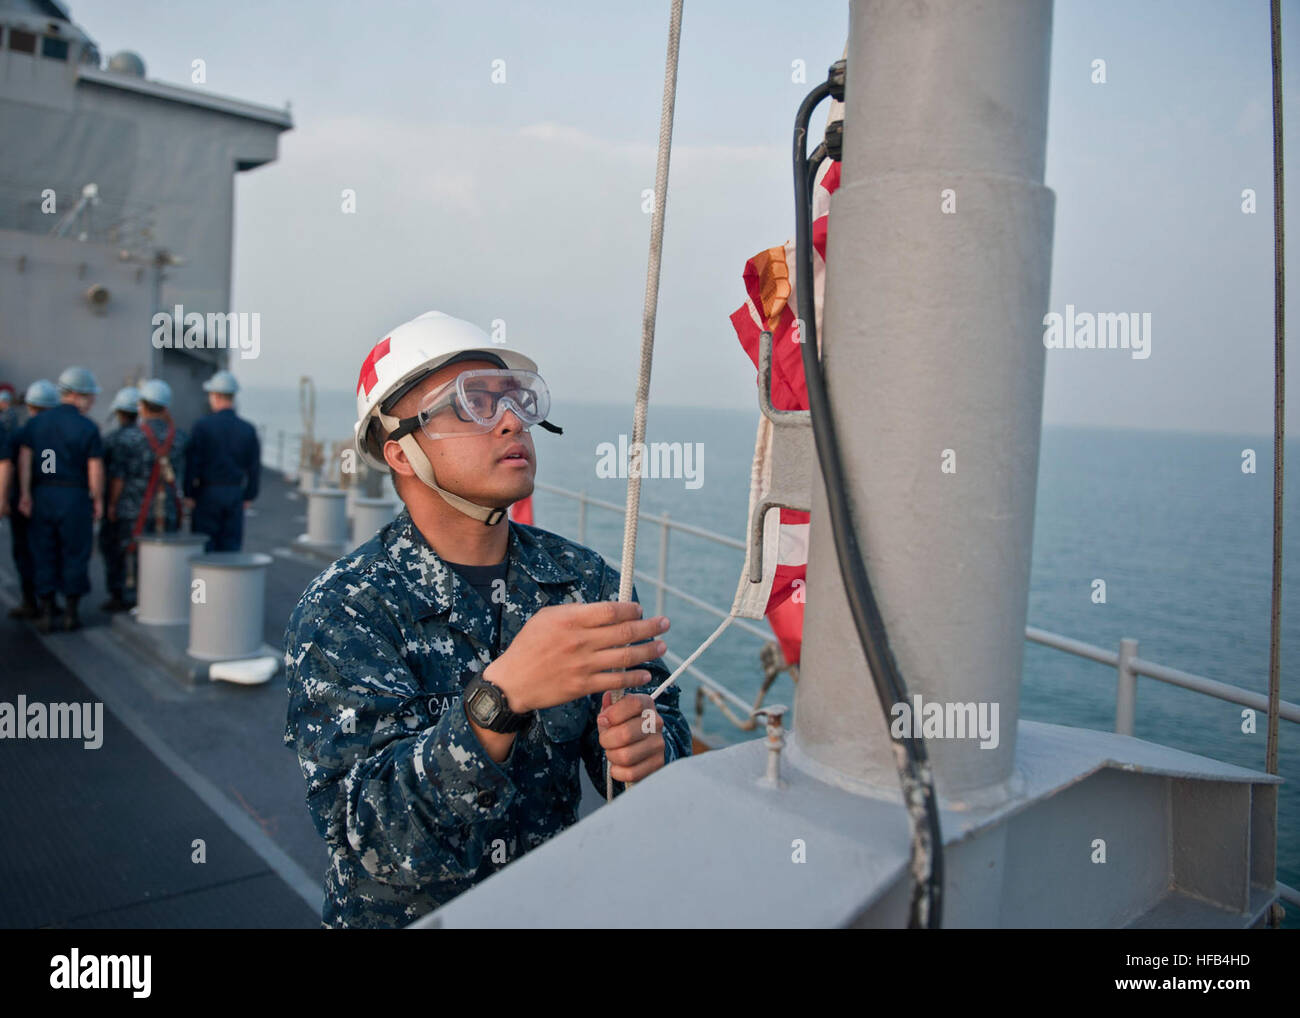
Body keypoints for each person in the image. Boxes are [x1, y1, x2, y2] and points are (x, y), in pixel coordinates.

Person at [283, 310, 691, 929]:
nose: (510, 421)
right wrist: (499, 700)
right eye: (471, 403)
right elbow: (367, 835)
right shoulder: (345, 609)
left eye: (514, 400)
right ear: (401, 450)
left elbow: (661, 741)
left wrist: (646, 751)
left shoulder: (583, 580)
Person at [17, 367, 104, 632]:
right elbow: (95, 467)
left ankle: (45, 609)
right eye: (90, 396)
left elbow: (25, 459)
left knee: (44, 550)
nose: (92, 402)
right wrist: (97, 498)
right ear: (77, 395)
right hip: (74, 496)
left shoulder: (37, 423)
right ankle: (70, 612)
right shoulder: (87, 427)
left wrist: (25, 494)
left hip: (44, 492)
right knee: (74, 551)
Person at [108, 379, 187, 596]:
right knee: (164, 558)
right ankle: (161, 598)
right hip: (168, 509)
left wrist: (112, 504)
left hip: (133, 509)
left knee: (129, 555)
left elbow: (118, 477)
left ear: (141, 405)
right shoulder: (179, 438)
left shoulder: (128, 437)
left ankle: (128, 597)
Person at [0, 380, 58, 619]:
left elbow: (8, 467)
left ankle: (30, 601)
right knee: (48, 550)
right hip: (47, 498)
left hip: (23, 501)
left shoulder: (20, 434)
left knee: (24, 551)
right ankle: (49, 602)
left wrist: (7, 498)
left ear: (31, 406)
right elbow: (50, 469)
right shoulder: (53, 437)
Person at [185, 369, 259, 552]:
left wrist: (189, 494)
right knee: (231, 548)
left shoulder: (202, 426)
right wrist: (249, 495)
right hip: (234, 493)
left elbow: (192, 464)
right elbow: (254, 468)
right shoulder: (248, 429)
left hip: (207, 493)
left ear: (216, 396)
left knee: (204, 547)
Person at [98, 386, 140, 612]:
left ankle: (117, 594)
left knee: (113, 551)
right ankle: (142, 596)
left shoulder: (112, 440)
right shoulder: (148, 438)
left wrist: (110, 504)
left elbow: (115, 476)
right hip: (146, 506)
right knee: (141, 553)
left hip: (119, 506)